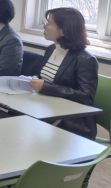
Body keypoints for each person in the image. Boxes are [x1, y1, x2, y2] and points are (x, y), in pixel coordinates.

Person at [29, 7, 98, 140]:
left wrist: (46, 87)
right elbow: (44, 78)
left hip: (71, 122)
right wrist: (30, 80)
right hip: (47, 110)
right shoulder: (51, 49)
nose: (44, 26)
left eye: (49, 23)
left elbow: (87, 97)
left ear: (63, 31)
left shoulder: (85, 59)